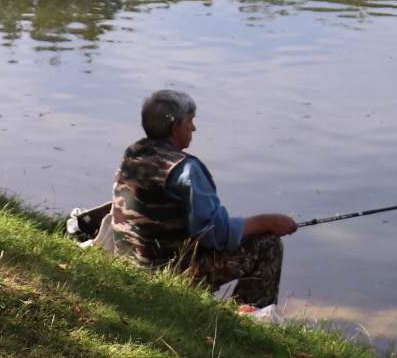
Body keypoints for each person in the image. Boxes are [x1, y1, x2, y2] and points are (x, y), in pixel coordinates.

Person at [99, 88, 298, 307]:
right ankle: (250, 317)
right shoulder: (186, 170)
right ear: (175, 127)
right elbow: (216, 233)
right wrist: (266, 222)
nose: (193, 128)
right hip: (167, 275)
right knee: (269, 245)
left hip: (128, 264)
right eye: (190, 121)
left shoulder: (134, 151)